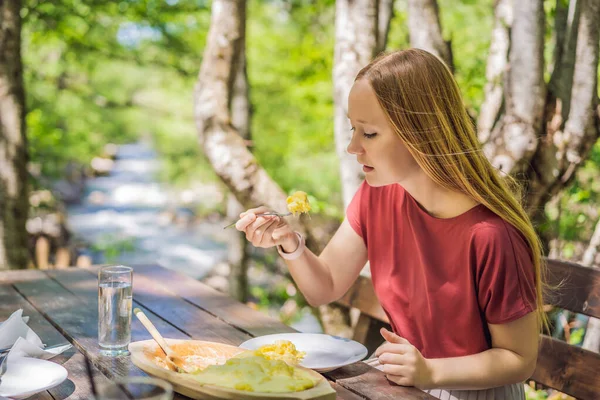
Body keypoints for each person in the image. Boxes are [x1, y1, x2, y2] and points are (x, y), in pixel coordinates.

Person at [235, 48, 545, 400]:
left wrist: (431, 371)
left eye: (368, 134)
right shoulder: (377, 197)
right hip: (405, 381)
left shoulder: (493, 235)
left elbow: (519, 358)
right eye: (354, 129)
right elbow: (325, 286)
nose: (353, 147)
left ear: (421, 134)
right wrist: (289, 243)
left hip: (473, 390)